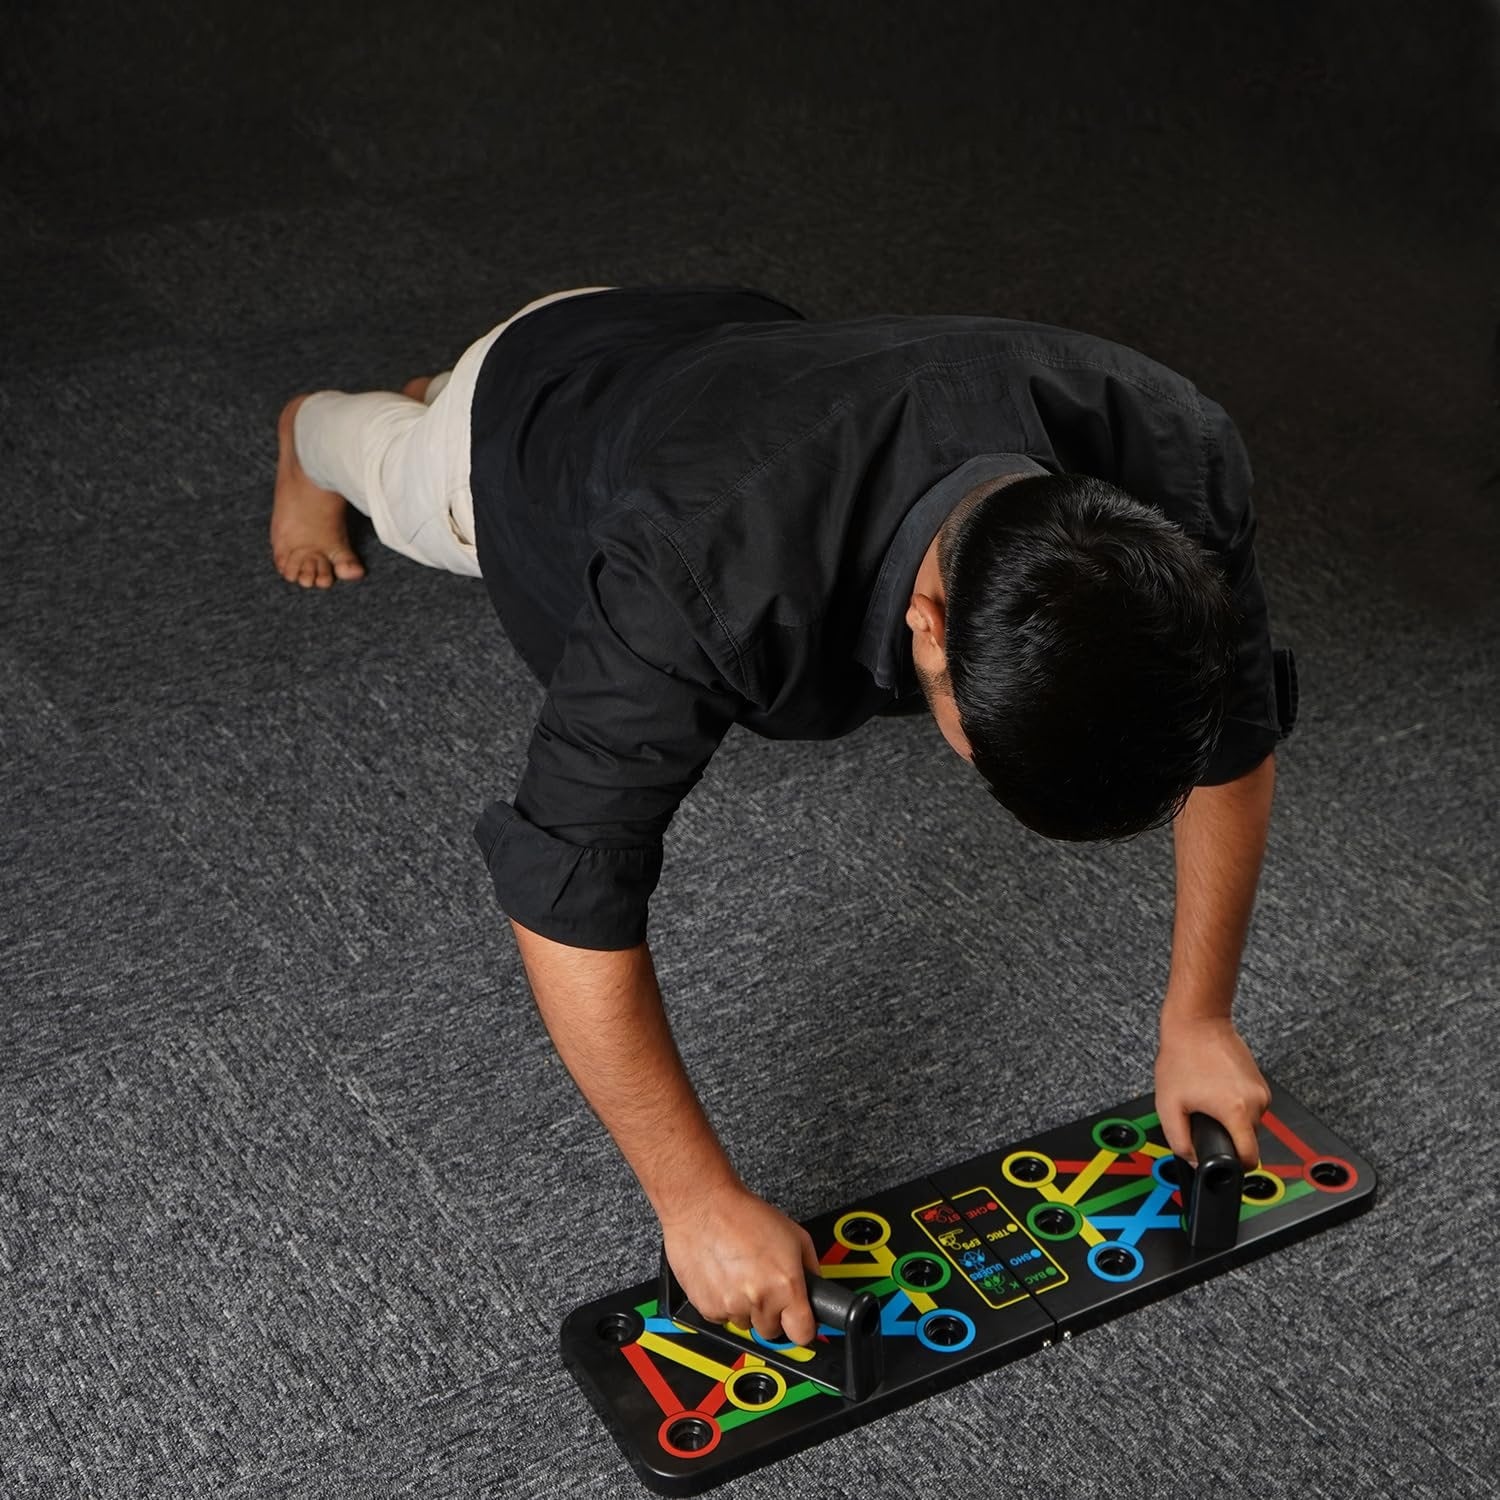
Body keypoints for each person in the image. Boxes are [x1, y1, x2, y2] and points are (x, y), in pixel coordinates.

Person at [270, 283, 1297, 1349]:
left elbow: (1234, 739)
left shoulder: (1177, 453)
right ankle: (317, 429)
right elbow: (565, 889)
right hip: (543, 427)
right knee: (410, 481)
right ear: (930, 625)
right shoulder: (700, 566)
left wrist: (1201, 1018)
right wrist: (695, 1201)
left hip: (715, 351)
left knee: (576, 405)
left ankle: (452, 389)